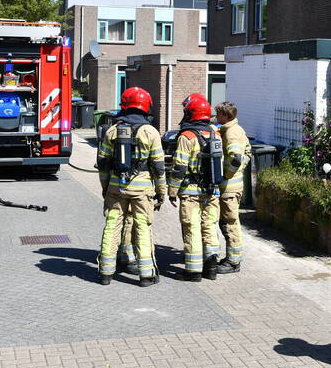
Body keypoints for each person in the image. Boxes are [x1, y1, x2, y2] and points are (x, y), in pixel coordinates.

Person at [96, 87, 166, 286]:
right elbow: (159, 168)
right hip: (142, 191)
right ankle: (146, 275)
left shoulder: (111, 130)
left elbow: (103, 163)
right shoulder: (151, 132)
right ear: (146, 107)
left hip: (116, 188)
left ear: (124, 106)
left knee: (112, 226)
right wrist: (162, 192)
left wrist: (105, 187)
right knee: (143, 228)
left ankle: (105, 273)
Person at [169, 93, 222, 281]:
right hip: (212, 190)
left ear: (191, 113)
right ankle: (211, 267)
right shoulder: (216, 134)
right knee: (209, 226)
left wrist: (172, 192)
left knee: (192, 228)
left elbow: (179, 167)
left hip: (191, 192)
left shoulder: (187, 136)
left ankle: (193, 271)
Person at [214, 101, 251, 274]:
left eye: (218, 114)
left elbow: (236, 158)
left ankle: (233, 262)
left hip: (229, 187)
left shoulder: (231, 133)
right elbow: (248, 153)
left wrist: (225, 175)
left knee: (229, 223)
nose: (215, 116)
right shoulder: (238, 129)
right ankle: (231, 258)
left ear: (226, 116)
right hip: (233, 186)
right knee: (228, 222)